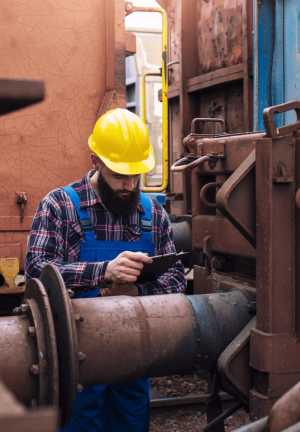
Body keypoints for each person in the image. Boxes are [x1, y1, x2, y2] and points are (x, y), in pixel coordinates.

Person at [25, 108, 187, 432]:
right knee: (80, 422)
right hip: (76, 355)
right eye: (119, 175)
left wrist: (138, 289)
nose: (129, 184)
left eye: (136, 175)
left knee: (131, 422)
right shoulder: (59, 206)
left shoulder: (153, 212)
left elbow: (176, 279)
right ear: (95, 161)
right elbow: (37, 273)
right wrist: (103, 272)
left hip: (136, 351)